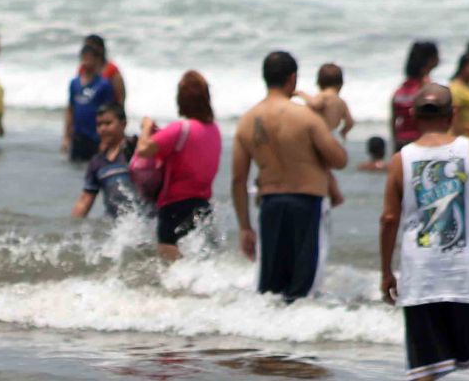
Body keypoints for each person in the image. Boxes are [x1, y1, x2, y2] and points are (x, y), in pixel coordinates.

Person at [379, 83, 469, 381]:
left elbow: (389, 218)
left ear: (413, 115)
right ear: (453, 113)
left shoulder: (401, 160)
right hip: (468, 274)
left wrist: (385, 271)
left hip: (422, 279)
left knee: (425, 370)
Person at [232, 50, 346, 301]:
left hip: (270, 205)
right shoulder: (306, 117)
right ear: (292, 79)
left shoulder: (247, 121)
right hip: (307, 203)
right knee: (304, 288)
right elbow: (339, 160)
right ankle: (299, 335)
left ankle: (269, 335)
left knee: (271, 289)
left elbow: (238, 180)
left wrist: (244, 227)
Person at [137, 71, 223, 260]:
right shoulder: (214, 130)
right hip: (203, 206)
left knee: (171, 269)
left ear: (181, 100)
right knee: (199, 263)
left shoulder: (180, 129)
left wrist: (146, 126)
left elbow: (144, 149)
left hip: (175, 207)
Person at [71, 102, 145, 221]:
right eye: (99, 124)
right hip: (116, 229)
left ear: (123, 124)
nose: (103, 129)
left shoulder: (136, 148)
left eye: (108, 123)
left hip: (143, 221)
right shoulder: (97, 162)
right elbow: (85, 199)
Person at [307, 63, 356, 208]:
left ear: (318, 83)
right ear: (341, 84)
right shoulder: (341, 101)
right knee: (326, 169)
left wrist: (300, 94)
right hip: (335, 137)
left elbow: (315, 104)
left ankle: (335, 194)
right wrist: (343, 133)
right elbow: (350, 122)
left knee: (322, 168)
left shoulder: (323, 96)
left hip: (322, 137)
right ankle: (334, 192)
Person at [63, 42, 114, 162]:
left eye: (89, 57)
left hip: (96, 138)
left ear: (97, 60)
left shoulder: (104, 84)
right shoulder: (74, 83)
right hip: (78, 137)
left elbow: (109, 113)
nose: (86, 61)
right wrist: (66, 136)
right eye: (84, 57)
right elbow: (70, 109)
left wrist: (107, 140)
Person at [391, 40, 440, 152]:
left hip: (402, 142)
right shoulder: (427, 88)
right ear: (430, 60)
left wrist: (395, 146)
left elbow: (394, 120)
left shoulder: (400, 90)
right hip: (421, 143)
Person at [85, 34, 126, 106]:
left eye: (90, 47)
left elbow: (121, 97)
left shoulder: (111, 69)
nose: (88, 50)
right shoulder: (83, 69)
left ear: (100, 48)